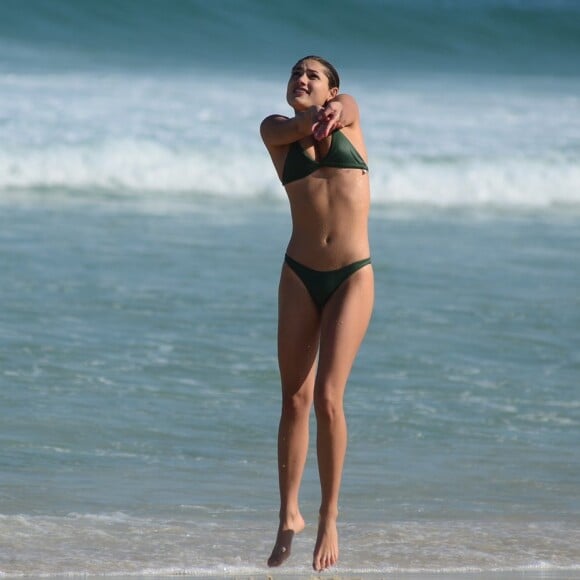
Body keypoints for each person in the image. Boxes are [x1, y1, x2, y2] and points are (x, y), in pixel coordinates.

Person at [260, 55, 374, 572]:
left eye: (312, 75)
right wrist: (312, 119)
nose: (300, 79)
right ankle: (289, 514)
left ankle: (329, 516)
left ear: (331, 86)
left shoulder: (348, 113)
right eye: (294, 74)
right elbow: (294, 125)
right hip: (298, 275)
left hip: (351, 275)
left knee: (328, 397)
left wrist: (336, 110)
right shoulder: (275, 131)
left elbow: (345, 108)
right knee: (293, 398)